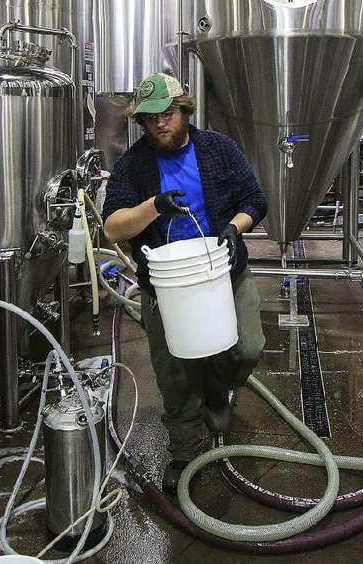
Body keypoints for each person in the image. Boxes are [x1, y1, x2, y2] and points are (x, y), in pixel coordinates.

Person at [102, 71, 267, 495]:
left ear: (185, 111)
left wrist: (234, 226)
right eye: (150, 119)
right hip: (167, 283)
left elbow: (255, 199)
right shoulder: (133, 165)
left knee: (246, 347)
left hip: (223, 270)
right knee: (175, 371)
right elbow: (113, 228)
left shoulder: (218, 149)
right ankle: (185, 450)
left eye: (169, 114)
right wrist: (154, 205)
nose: (160, 124)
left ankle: (217, 388)